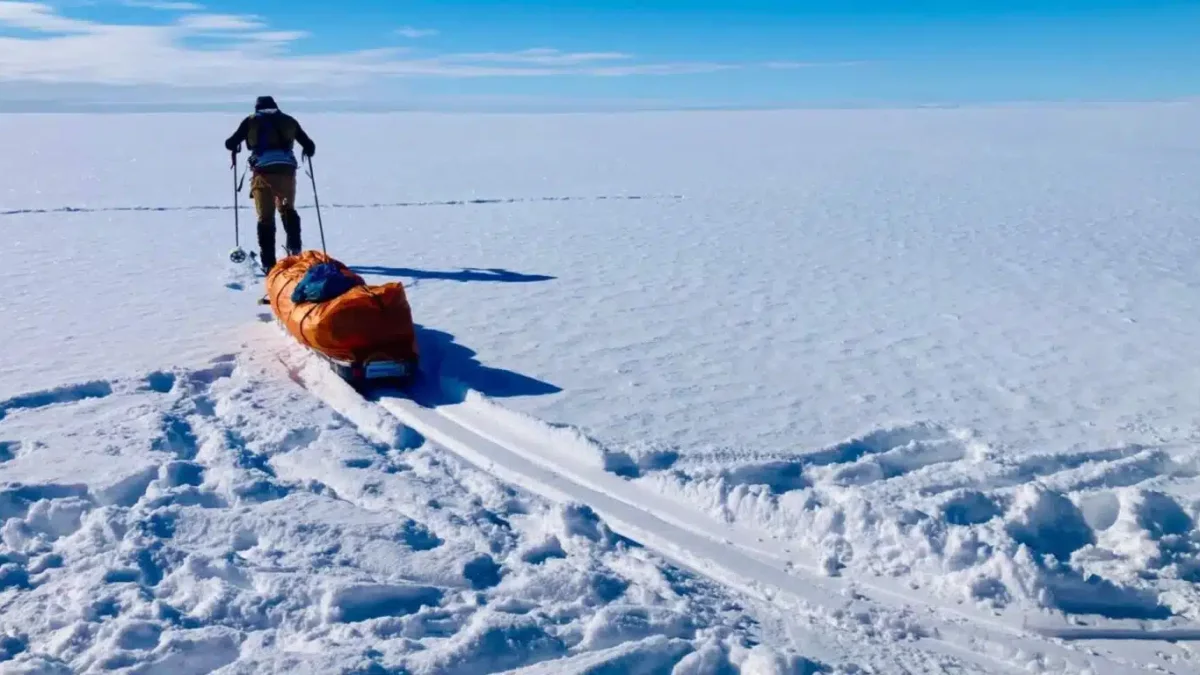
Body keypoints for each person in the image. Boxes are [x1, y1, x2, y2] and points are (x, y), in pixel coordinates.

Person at [224, 95, 316, 272]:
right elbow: (309, 145)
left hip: (263, 175)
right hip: (286, 174)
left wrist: (238, 145)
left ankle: (268, 263)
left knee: (265, 217)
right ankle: (294, 250)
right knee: (286, 208)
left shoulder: (250, 121)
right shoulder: (289, 121)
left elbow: (230, 143)